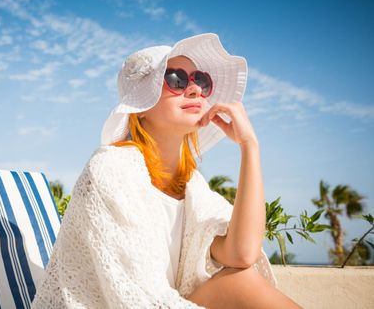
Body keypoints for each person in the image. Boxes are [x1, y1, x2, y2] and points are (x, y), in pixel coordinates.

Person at [31, 33, 302, 308]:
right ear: (141, 107)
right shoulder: (111, 170)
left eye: (201, 80)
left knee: (240, 280)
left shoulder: (193, 188)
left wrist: (249, 146)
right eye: (176, 79)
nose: (195, 90)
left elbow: (242, 254)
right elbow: (135, 298)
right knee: (240, 285)